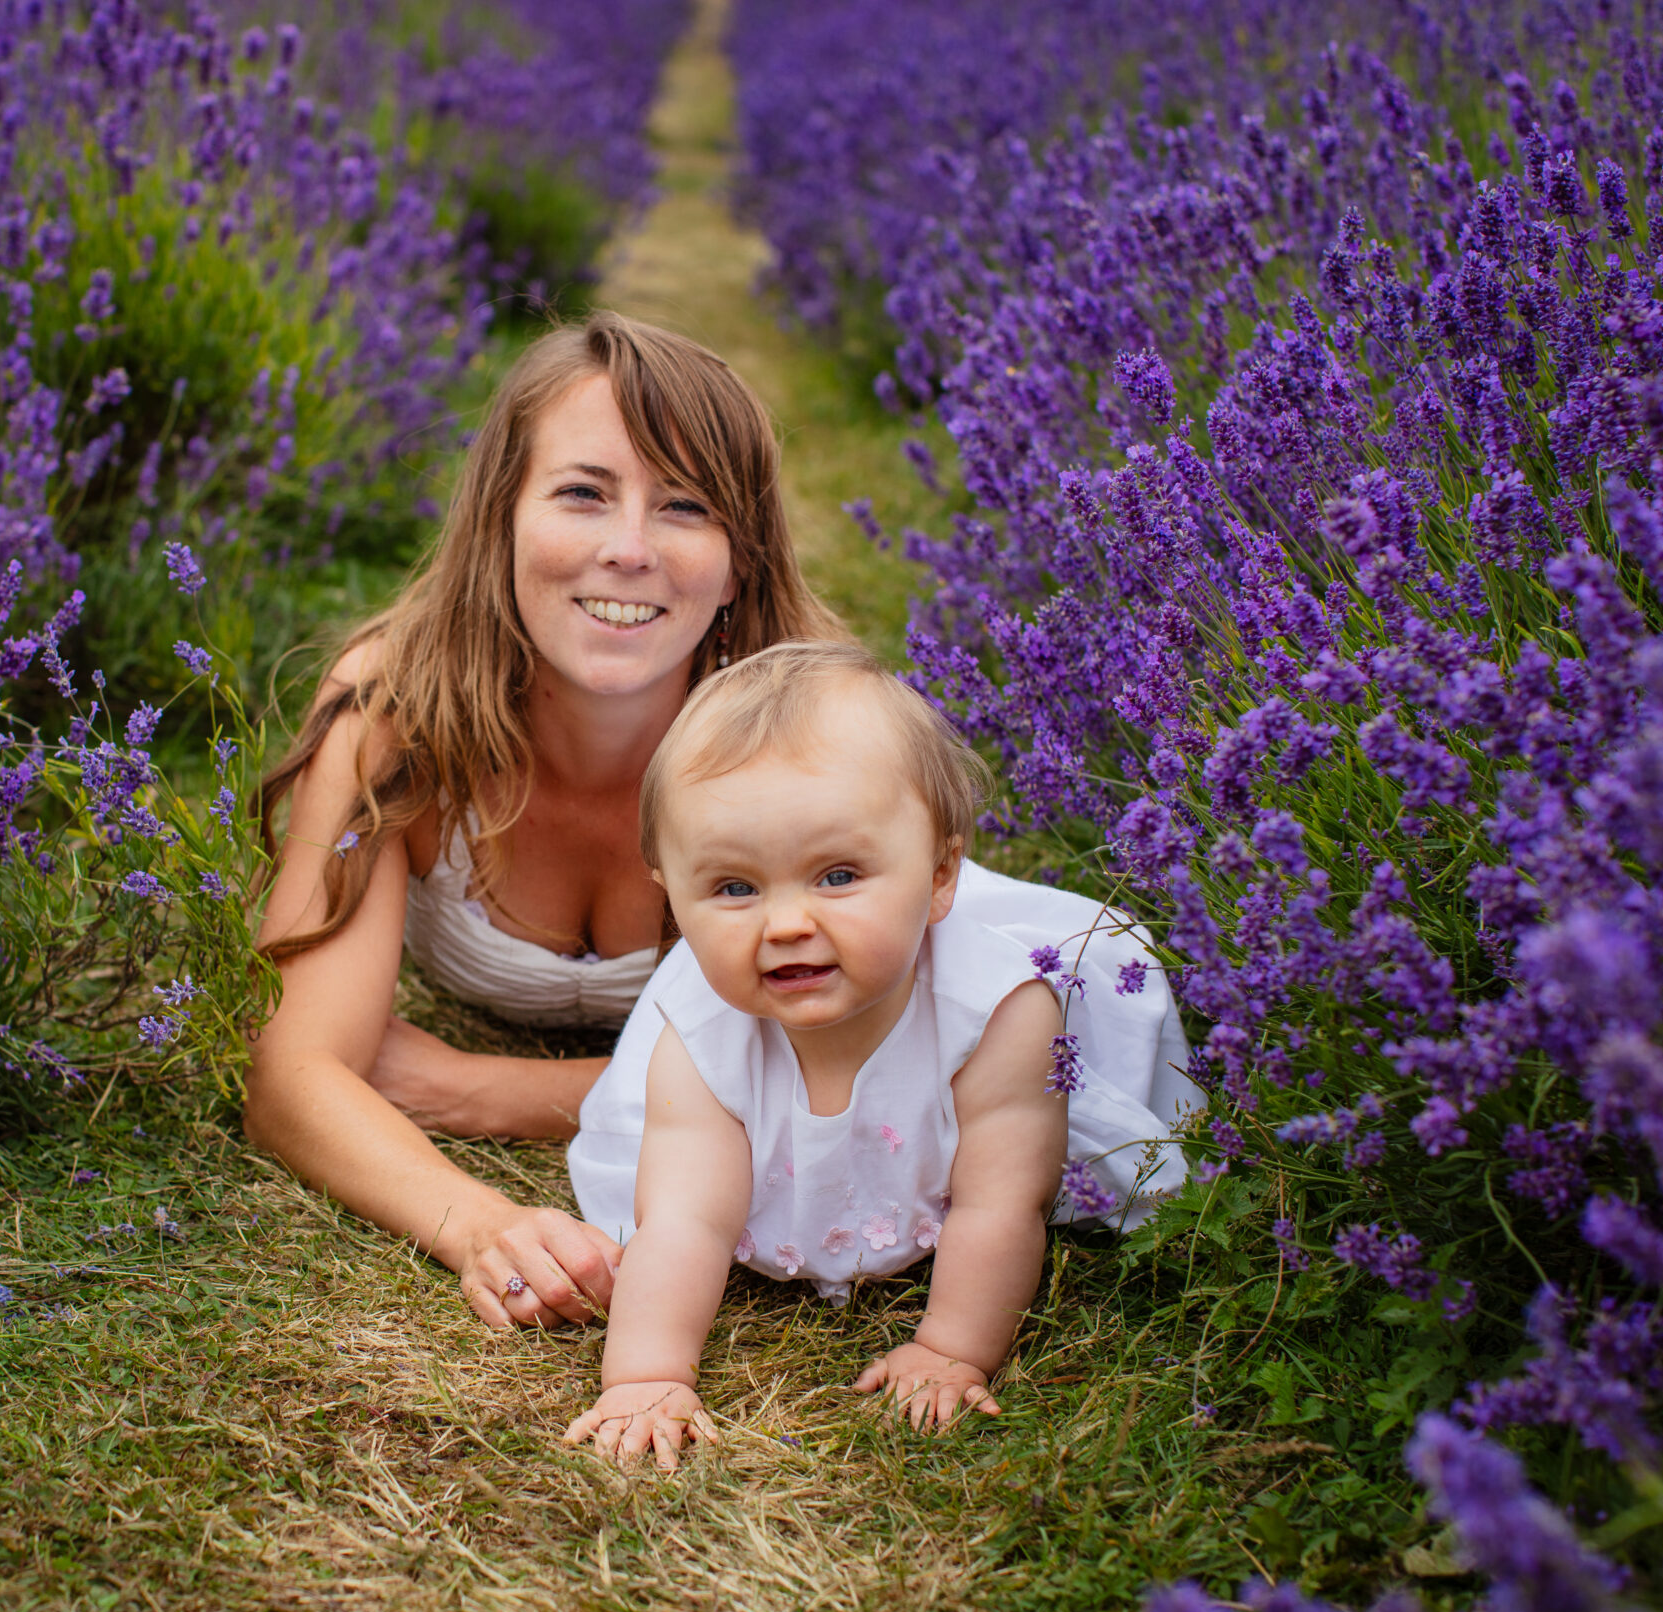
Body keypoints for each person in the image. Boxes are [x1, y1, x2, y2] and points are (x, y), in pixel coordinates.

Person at [246, 312, 849, 1330]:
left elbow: (846, 1072)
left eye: (685, 506)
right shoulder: (394, 715)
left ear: (737, 561)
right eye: (582, 493)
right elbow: (290, 1074)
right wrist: (480, 1224)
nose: (628, 551)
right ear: (502, 520)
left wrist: (475, 1090)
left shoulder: (809, 741)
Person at [560, 642, 1201, 1468]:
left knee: (1005, 1182)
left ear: (939, 877)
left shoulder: (997, 1011)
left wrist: (951, 1347)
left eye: (836, 875)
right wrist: (646, 1372)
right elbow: (686, 1217)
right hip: (751, 1167)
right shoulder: (701, 1029)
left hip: (968, 1151)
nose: (785, 922)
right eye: (733, 888)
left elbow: (997, 1203)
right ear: (672, 894)